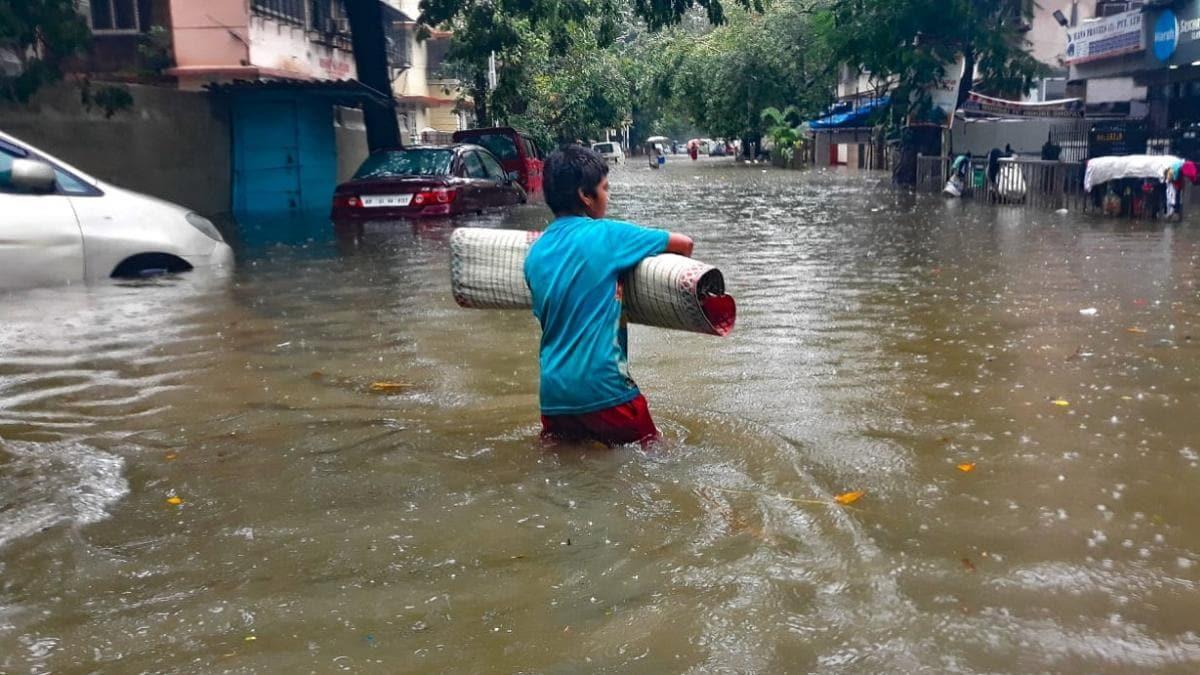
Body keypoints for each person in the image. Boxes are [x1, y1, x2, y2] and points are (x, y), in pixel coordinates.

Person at [524, 145, 694, 448]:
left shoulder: (534, 254)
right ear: (585, 196)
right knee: (658, 455)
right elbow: (684, 245)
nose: (608, 194)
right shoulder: (608, 234)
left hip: (554, 395)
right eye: (605, 188)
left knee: (567, 467)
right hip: (605, 389)